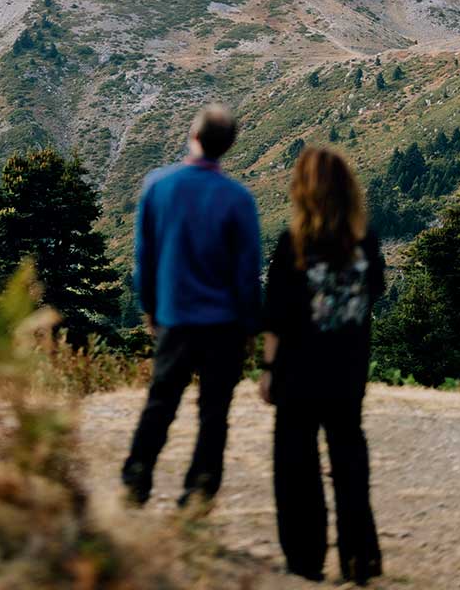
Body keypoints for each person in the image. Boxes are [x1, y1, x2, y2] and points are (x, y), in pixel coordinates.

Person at [121, 103, 262, 508]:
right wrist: (250, 326)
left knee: (161, 401)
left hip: (175, 317)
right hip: (224, 324)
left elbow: (143, 257)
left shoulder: (157, 186)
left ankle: (136, 479)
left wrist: (150, 307)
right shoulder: (238, 199)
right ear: (229, 146)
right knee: (214, 412)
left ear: (192, 135)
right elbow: (247, 273)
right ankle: (198, 491)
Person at [260, 147, 385, 585]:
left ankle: (305, 558)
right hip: (348, 369)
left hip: (298, 372)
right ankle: (360, 557)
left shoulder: (292, 244)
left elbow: (275, 314)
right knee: (349, 459)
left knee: (296, 465)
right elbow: (377, 290)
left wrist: (268, 369)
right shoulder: (364, 240)